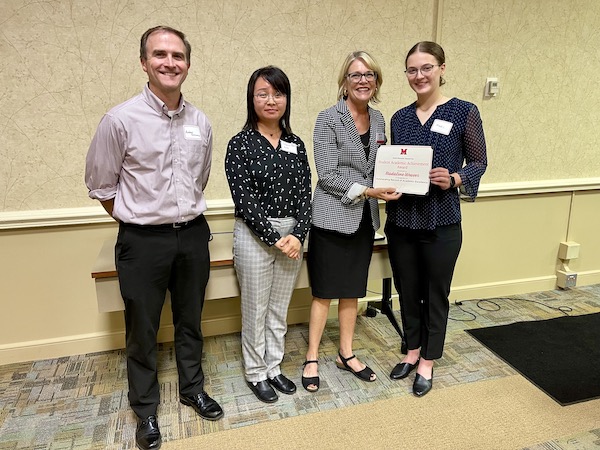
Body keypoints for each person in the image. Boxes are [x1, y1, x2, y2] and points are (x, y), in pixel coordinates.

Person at [85, 25, 223, 450]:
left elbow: (199, 179)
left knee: (190, 320)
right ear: (144, 62)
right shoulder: (120, 119)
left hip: (192, 236)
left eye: (177, 56)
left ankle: (191, 388)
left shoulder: (200, 121)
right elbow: (102, 186)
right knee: (142, 330)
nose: (169, 63)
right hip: (142, 241)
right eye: (159, 55)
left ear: (187, 64)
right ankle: (145, 409)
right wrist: (140, 220)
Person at [386, 41, 487, 397]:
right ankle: (411, 350)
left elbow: (479, 162)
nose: (419, 76)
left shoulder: (464, 112)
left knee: (435, 293)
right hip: (401, 222)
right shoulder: (399, 117)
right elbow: (396, 164)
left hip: (442, 220)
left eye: (426, 67)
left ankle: (428, 359)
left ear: (442, 69)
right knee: (407, 291)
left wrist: (456, 178)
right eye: (412, 70)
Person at [302, 51, 400, 392]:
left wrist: (394, 182)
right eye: (356, 75)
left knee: (352, 292)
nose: (363, 80)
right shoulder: (328, 118)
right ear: (345, 81)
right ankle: (312, 356)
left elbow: (380, 165)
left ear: (377, 82)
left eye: (369, 75)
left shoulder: (380, 119)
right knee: (324, 291)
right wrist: (371, 190)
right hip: (331, 216)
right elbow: (327, 175)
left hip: (363, 220)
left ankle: (346, 352)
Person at [225, 66, 312, 403]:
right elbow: (243, 199)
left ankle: (274, 367)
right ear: (252, 98)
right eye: (263, 93)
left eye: (278, 93)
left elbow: (306, 195)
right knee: (256, 308)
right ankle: (256, 372)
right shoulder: (240, 144)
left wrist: (298, 235)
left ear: (287, 99)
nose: (271, 100)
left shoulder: (295, 143)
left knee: (278, 309)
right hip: (254, 235)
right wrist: (275, 238)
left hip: (292, 236)